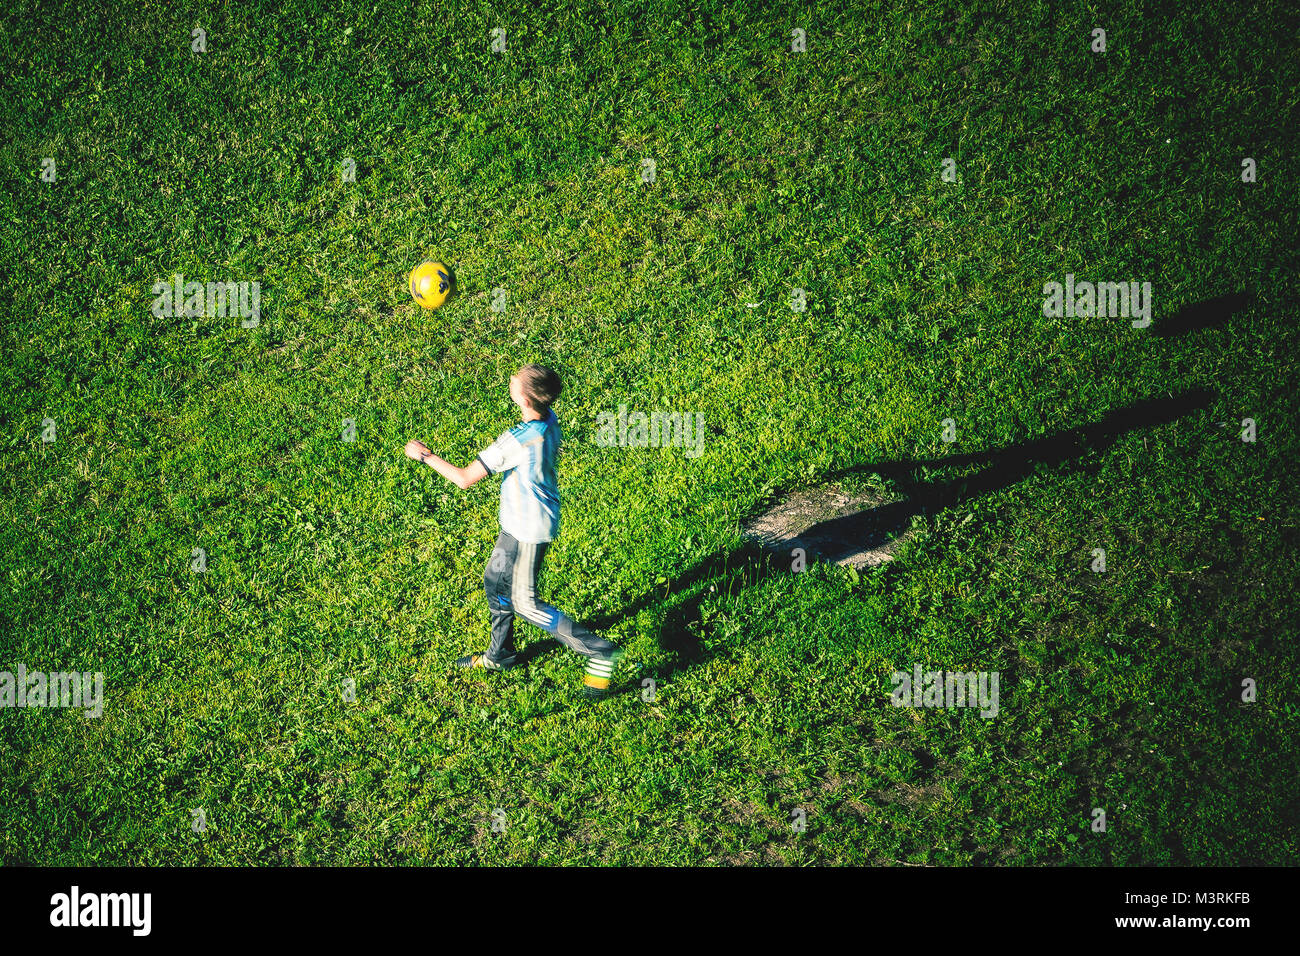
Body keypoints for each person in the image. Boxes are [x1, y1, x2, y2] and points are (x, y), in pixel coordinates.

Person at [404, 364, 624, 698]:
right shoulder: (548, 420)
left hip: (528, 530)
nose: (510, 378)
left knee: (527, 604)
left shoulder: (517, 440)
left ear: (522, 396)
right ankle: (501, 655)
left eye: (515, 379)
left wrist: (425, 456)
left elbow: (465, 479)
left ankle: (598, 650)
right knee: (495, 582)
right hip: (519, 522)